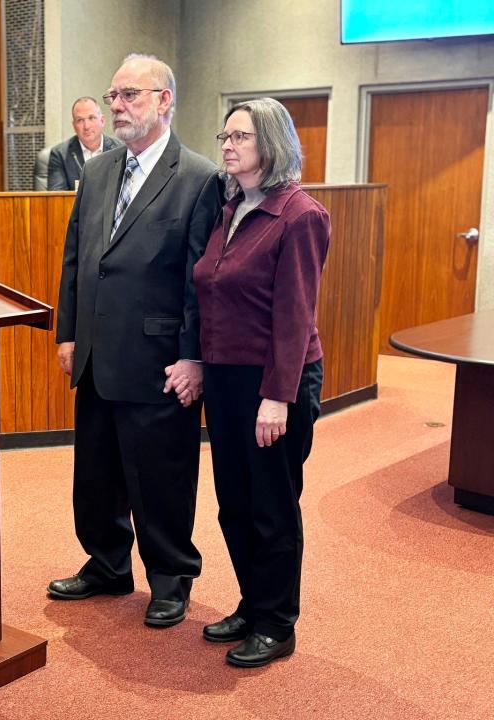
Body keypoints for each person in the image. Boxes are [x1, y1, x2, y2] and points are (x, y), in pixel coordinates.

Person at [49, 54, 221, 629]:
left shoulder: (199, 177)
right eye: (114, 95)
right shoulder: (98, 172)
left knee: (160, 477)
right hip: (96, 355)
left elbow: (202, 281)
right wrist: (68, 333)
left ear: (164, 100)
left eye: (131, 96)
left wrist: (193, 355)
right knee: (95, 472)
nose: (117, 106)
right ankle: (106, 564)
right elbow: (77, 257)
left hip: (159, 361)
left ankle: (170, 577)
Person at [191, 98, 330, 667]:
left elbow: (295, 315)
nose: (227, 145)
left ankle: (278, 622)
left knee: (272, 504)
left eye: (241, 137)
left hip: (276, 382)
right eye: (224, 135)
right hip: (226, 381)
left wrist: (277, 396)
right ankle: (253, 603)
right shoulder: (230, 207)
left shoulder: (300, 214)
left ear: (271, 143)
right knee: (234, 503)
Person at [47, 96, 120, 190]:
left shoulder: (120, 149)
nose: (86, 126)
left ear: (102, 121)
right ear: (74, 126)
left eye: (91, 118)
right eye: (80, 120)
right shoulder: (60, 154)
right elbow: (57, 199)